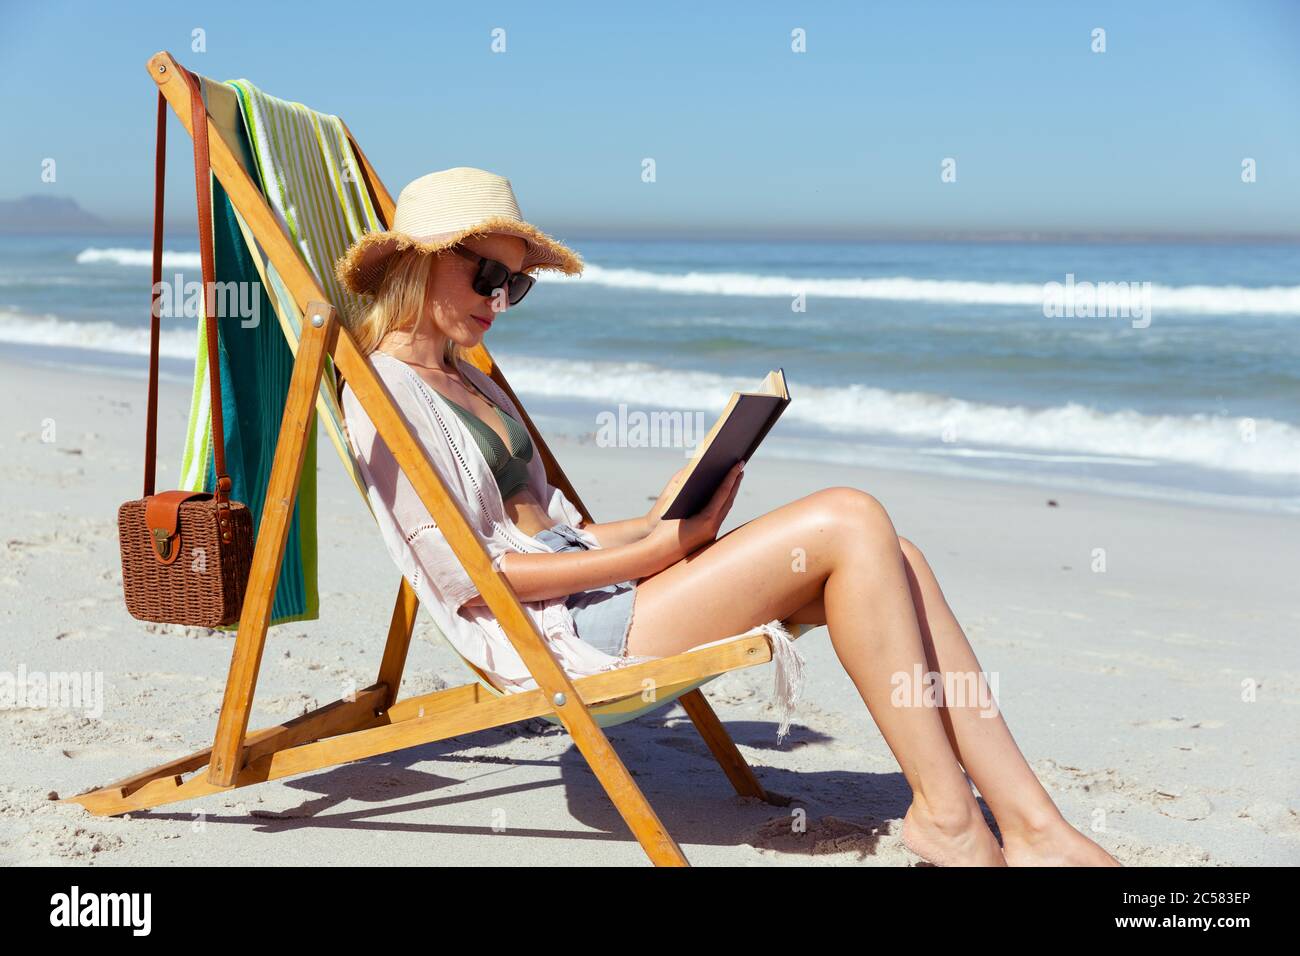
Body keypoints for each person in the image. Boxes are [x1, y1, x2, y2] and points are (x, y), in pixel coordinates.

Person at [334, 167, 1119, 867]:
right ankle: (949, 819)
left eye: (516, 284)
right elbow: (479, 579)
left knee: (899, 558)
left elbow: (552, 531)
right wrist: (660, 552)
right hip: (564, 633)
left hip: (602, 597)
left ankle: (1033, 823)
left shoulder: (475, 385)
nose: (500, 299)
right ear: (419, 260)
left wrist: (661, 519)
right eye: (486, 275)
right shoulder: (386, 398)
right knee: (850, 515)